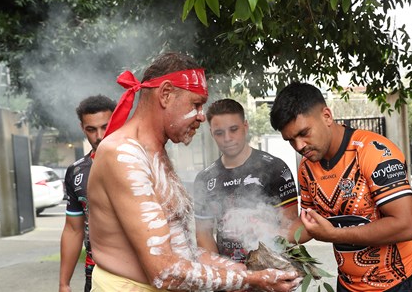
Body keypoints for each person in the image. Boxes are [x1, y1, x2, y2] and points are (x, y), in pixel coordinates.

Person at [87, 52, 300, 292]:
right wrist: (251, 280)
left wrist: (242, 270)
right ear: (166, 94)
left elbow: (180, 251)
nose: (201, 116)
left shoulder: (155, 152)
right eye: (196, 104)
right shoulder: (123, 154)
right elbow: (163, 271)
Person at [269, 82, 412, 292]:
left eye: (304, 133)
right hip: (348, 285)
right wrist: (267, 238)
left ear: (327, 116)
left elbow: (406, 225)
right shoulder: (306, 168)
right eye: (290, 140)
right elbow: (309, 221)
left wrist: (334, 235)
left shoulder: (374, 153)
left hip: (400, 283)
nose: (299, 146)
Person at [193, 98, 299, 263]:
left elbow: (290, 228)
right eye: (219, 133)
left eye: (233, 129)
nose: (227, 138)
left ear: (245, 126)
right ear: (211, 133)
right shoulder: (205, 178)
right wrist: (225, 273)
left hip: (270, 272)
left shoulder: (276, 168)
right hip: (229, 279)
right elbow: (203, 235)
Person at [59, 95, 116, 292]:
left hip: (136, 273)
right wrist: (64, 283)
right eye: (91, 129)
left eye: (105, 127)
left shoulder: (139, 160)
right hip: (96, 272)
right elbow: (73, 229)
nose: (99, 136)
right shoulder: (76, 171)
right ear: (83, 128)